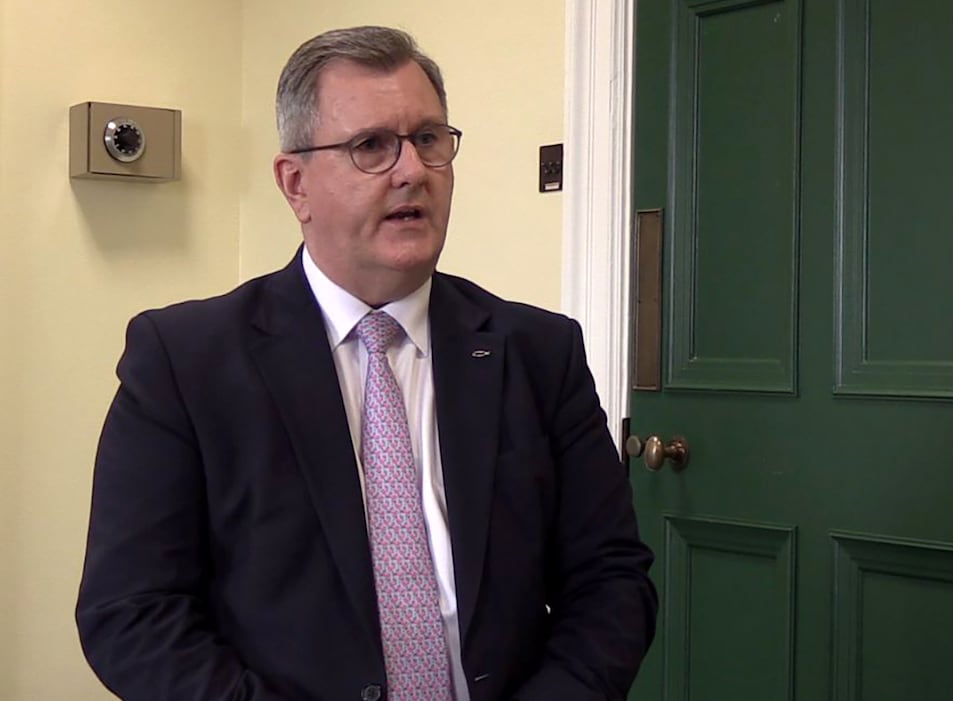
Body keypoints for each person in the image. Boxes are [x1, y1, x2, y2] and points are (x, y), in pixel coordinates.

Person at [76, 25, 656, 701]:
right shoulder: (185, 361)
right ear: (296, 184)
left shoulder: (538, 352)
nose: (412, 170)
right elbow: (132, 613)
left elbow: (610, 581)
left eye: (429, 139)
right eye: (372, 146)